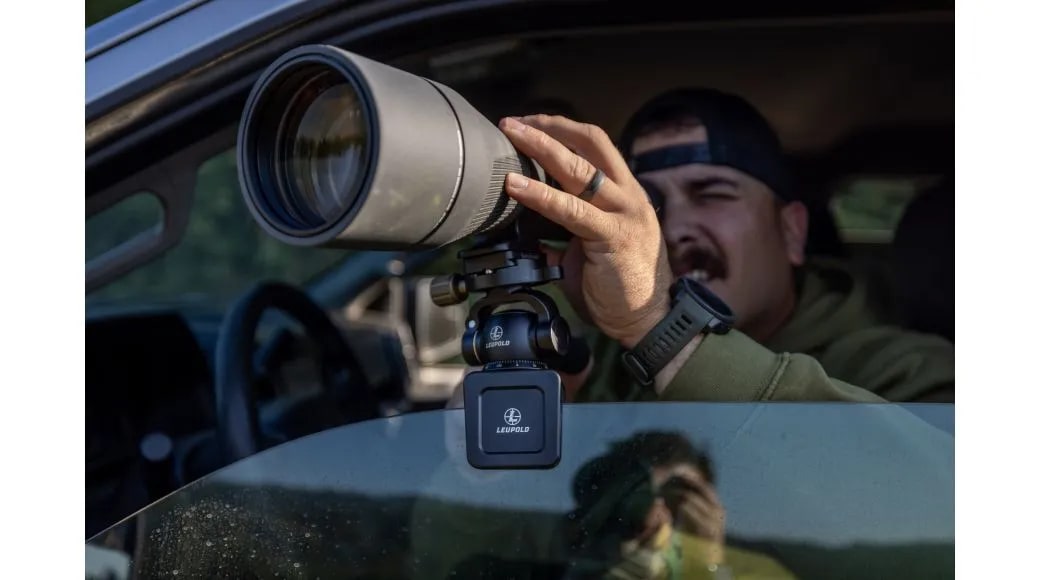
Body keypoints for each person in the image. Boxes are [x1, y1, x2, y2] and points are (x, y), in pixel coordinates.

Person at [491, 88, 954, 403]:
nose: (672, 229)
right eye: (650, 204)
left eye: (711, 194)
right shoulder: (602, 369)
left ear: (792, 232)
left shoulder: (909, 372)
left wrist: (658, 330)